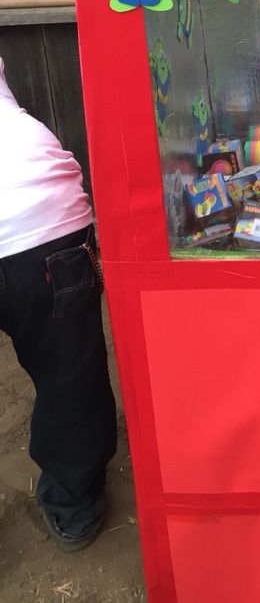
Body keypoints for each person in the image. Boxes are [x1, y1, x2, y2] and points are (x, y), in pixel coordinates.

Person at [0, 59, 117, 551]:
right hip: (42, 215)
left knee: (70, 374)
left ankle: (74, 499)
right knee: (70, 375)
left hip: (40, 217)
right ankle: (74, 502)